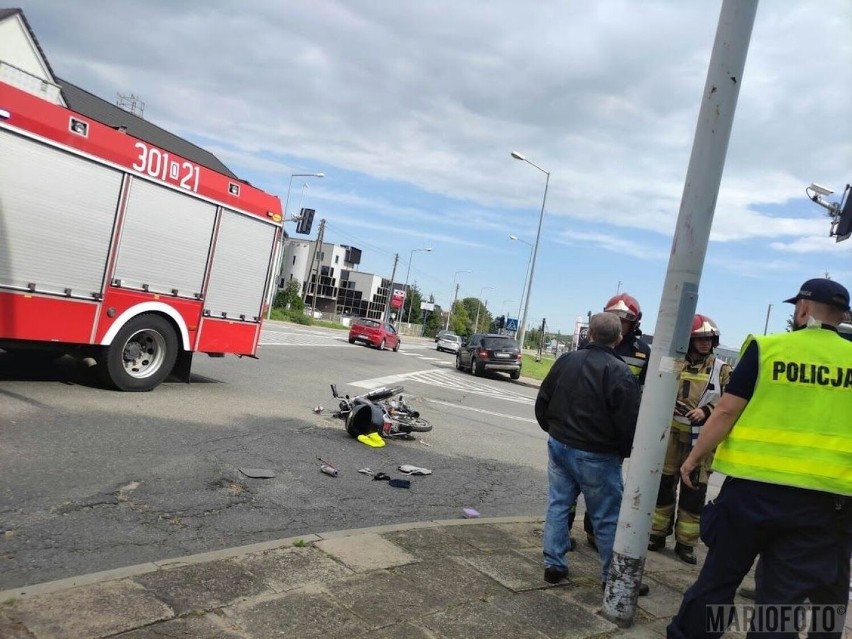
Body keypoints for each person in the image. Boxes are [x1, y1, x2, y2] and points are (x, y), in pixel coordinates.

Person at [667, 278, 852, 639]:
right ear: (842, 316)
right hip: (824, 504)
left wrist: (694, 458)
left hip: (752, 494)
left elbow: (725, 412)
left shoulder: (768, 349)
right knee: (782, 600)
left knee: (718, 580)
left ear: (802, 308)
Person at [535, 312, 649, 594]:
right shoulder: (620, 371)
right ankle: (614, 577)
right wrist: (621, 452)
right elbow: (628, 422)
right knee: (608, 517)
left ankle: (554, 564)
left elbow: (543, 400)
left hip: (560, 444)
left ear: (590, 334)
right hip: (597, 453)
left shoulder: (566, 361)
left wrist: (553, 430)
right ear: (619, 338)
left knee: (558, 505)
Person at [569, 293, 651, 551]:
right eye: (613, 318)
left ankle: (595, 534)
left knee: (604, 492)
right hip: (585, 424)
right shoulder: (588, 346)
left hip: (613, 430)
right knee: (571, 488)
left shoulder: (642, 352)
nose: (618, 324)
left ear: (634, 324)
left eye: (624, 320)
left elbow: (646, 393)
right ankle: (563, 534)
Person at [649, 314, 732, 565]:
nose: (705, 343)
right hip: (672, 435)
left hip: (701, 440)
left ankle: (686, 543)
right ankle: (656, 533)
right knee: (663, 485)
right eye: (700, 339)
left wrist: (707, 411)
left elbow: (732, 401)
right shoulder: (673, 364)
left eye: (709, 339)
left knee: (694, 490)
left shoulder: (722, 369)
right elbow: (656, 388)